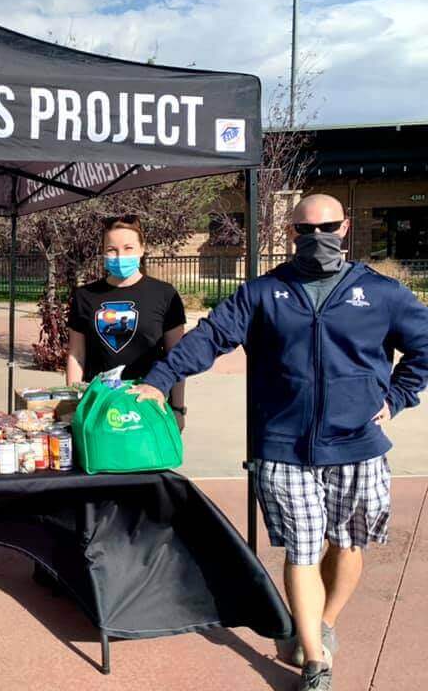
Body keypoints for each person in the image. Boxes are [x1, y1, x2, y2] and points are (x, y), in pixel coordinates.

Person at [130, 195, 428, 691]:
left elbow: (423, 349)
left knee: (348, 544)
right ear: (291, 233)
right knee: (303, 551)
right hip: (283, 445)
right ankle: (315, 659)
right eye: (305, 230)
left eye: (327, 227)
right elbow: (210, 337)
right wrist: (161, 379)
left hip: (358, 445)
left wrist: (396, 397)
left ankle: (322, 620)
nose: (317, 238)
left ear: (346, 227)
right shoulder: (264, 293)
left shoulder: (382, 294)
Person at [66, 215, 187, 430]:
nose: (120, 256)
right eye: (112, 249)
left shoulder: (165, 295)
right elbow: (77, 354)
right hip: (99, 402)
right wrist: (74, 402)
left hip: (148, 402)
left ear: (142, 249)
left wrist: (178, 408)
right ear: (103, 252)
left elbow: (176, 356)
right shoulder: (85, 296)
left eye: (128, 248)